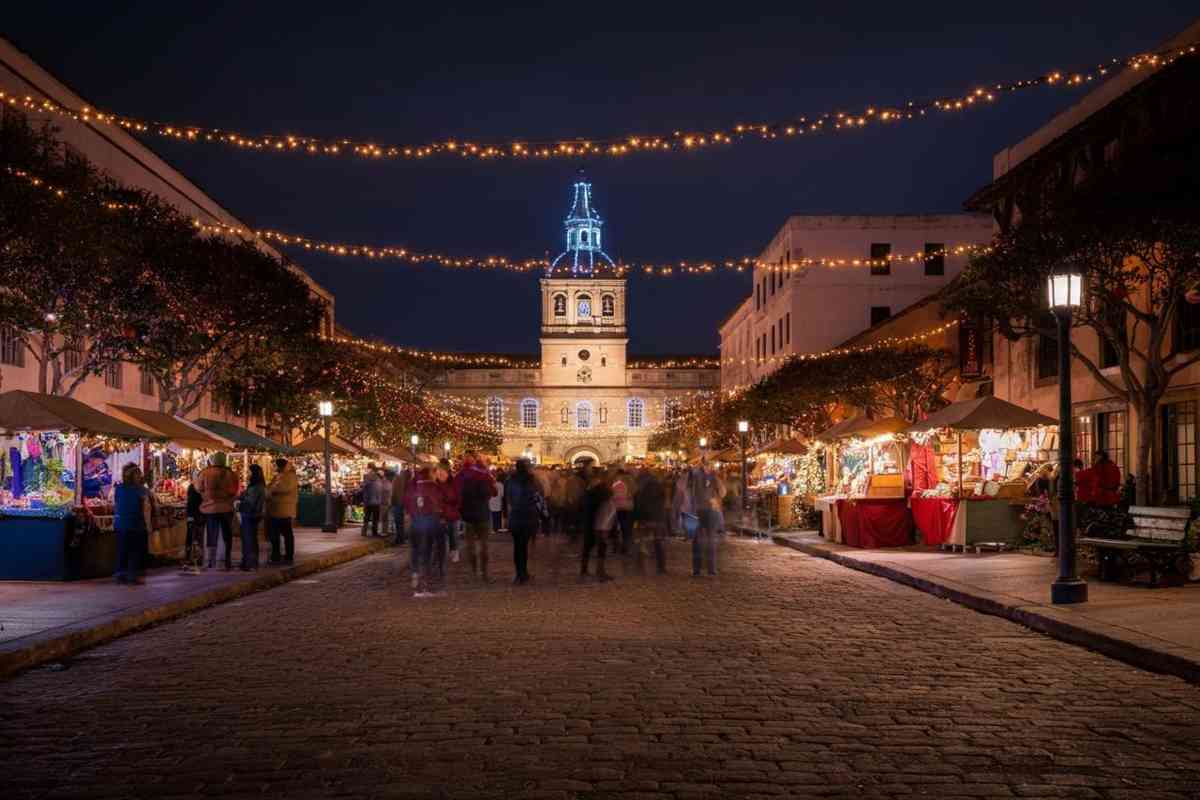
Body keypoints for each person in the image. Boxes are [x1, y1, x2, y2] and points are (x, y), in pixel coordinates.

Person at [675, 461, 724, 577]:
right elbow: (722, 492)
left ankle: (696, 569)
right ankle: (711, 569)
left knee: (696, 540)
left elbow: (680, 487)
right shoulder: (714, 476)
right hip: (711, 510)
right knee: (711, 539)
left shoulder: (690, 475)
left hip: (694, 510)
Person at [455, 451, 497, 582]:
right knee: (483, 546)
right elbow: (493, 492)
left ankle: (473, 574)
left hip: (468, 516)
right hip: (482, 514)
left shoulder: (460, 476)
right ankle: (484, 574)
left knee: (471, 547)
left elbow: (456, 495)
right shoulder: (484, 474)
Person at [505, 459, 548, 584]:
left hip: (516, 516)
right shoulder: (533, 481)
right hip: (529, 516)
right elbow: (541, 496)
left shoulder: (510, 481)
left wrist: (508, 517)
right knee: (524, 545)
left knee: (518, 546)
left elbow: (508, 500)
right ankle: (523, 573)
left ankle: (520, 573)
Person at [403, 466, 443, 597]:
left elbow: (406, 501)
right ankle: (424, 583)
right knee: (427, 552)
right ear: (430, 474)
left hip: (415, 522)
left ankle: (415, 573)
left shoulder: (412, 485)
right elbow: (438, 503)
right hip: (429, 522)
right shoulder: (433, 486)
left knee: (415, 549)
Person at [197, 452, 239, 570]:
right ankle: (224, 561)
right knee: (226, 535)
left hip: (209, 508)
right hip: (226, 508)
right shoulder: (230, 474)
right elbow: (234, 490)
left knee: (211, 535)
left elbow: (198, 488)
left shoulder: (205, 473)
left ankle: (210, 561)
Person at [114, 463, 150, 585]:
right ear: (134, 476)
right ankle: (132, 576)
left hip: (120, 524)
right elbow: (146, 509)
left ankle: (120, 575)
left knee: (122, 550)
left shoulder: (118, 488)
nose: (140, 476)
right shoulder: (141, 490)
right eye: (138, 474)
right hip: (135, 523)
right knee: (135, 551)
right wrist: (148, 525)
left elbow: (116, 505)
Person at [634, 469, 669, 574]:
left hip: (646, 518)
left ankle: (640, 566)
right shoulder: (661, 488)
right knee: (659, 543)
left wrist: (638, 518)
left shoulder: (642, 490)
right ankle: (661, 567)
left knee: (643, 542)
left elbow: (638, 505)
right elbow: (665, 504)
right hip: (658, 519)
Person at [580, 474, 614, 582]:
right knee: (601, 547)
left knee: (588, 547)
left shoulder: (589, 492)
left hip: (590, 523)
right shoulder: (601, 492)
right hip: (599, 524)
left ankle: (585, 570)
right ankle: (599, 571)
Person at [267, 458, 299, 564]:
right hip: (280, 508)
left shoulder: (288, 476)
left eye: (277, 465)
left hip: (282, 509)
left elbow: (281, 488)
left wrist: (271, 490)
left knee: (280, 534)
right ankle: (284, 555)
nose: (276, 468)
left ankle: (280, 555)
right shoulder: (283, 475)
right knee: (284, 533)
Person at [237, 464, 267, 571]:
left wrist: (239, 505)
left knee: (249, 539)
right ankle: (250, 561)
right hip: (254, 515)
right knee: (251, 539)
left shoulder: (255, 487)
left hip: (250, 514)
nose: (247, 474)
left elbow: (250, 502)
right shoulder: (258, 486)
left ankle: (250, 563)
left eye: (249, 472)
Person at [435, 459, 460, 580]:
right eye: (438, 472)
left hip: (451, 514)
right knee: (441, 536)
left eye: (442, 472)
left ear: (447, 472)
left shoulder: (453, 483)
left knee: (453, 534)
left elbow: (456, 497)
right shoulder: (435, 483)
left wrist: (447, 500)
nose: (440, 474)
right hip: (439, 515)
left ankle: (454, 551)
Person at [184, 473, 204, 572]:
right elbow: (191, 503)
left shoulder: (193, 487)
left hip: (195, 516)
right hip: (197, 515)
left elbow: (190, 503)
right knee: (196, 538)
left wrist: (189, 516)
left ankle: (191, 558)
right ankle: (193, 558)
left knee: (192, 538)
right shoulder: (197, 488)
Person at [611, 467, 634, 555]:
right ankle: (625, 547)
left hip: (618, 507)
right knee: (626, 528)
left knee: (616, 528)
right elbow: (634, 492)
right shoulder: (631, 481)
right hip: (628, 507)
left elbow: (613, 494)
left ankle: (616, 547)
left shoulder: (616, 482)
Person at [360, 465, 383, 537]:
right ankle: (374, 532)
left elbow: (363, 488)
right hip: (375, 502)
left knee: (367, 517)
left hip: (369, 501)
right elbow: (379, 491)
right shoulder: (378, 479)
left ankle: (364, 532)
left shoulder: (367, 478)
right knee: (375, 518)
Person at [391, 466, 410, 545]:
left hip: (397, 503)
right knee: (402, 522)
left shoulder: (396, 479)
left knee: (398, 522)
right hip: (404, 503)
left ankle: (399, 539)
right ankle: (402, 538)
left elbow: (393, 492)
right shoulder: (408, 480)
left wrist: (392, 502)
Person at [379, 468, 395, 538]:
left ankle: (385, 531)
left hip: (385, 502)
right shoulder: (387, 483)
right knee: (385, 518)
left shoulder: (384, 482)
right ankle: (385, 531)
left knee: (385, 518)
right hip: (386, 502)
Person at [490, 470, 506, 534]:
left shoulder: (488, 484)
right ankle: (497, 528)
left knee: (492, 516)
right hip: (498, 503)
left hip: (491, 504)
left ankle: (493, 528)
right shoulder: (500, 485)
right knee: (497, 516)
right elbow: (502, 495)